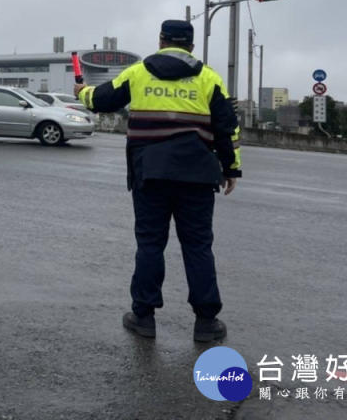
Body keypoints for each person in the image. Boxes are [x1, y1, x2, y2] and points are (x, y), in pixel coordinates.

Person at [74, 19, 241, 343]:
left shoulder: (138, 73)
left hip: (150, 173)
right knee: (198, 246)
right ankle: (206, 322)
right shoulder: (209, 78)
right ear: (191, 46)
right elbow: (227, 127)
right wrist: (231, 168)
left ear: (162, 41)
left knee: (150, 244)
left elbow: (102, 100)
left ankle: (144, 316)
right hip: (197, 176)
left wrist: (83, 92)